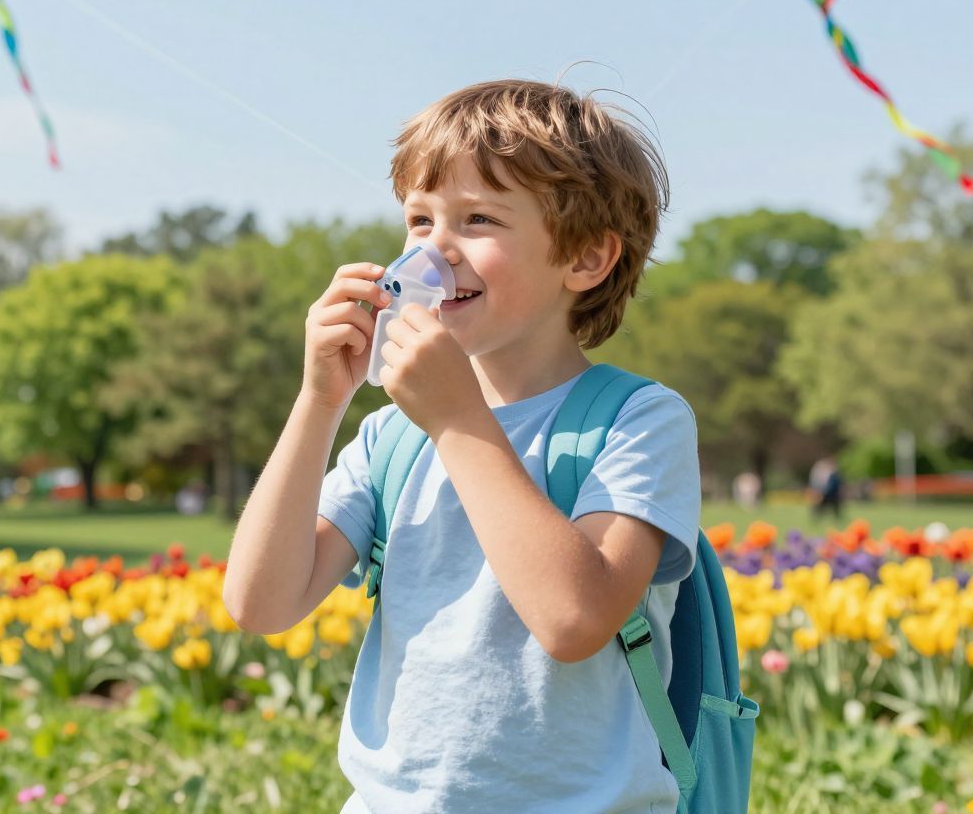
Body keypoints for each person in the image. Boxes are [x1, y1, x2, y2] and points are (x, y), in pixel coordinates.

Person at [224, 80, 700, 812]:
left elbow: (573, 621)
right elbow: (261, 603)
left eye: (478, 219)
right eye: (419, 219)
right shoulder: (391, 436)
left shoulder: (638, 420)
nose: (433, 252)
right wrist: (320, 402)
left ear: (585, 258)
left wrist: (456, 418)